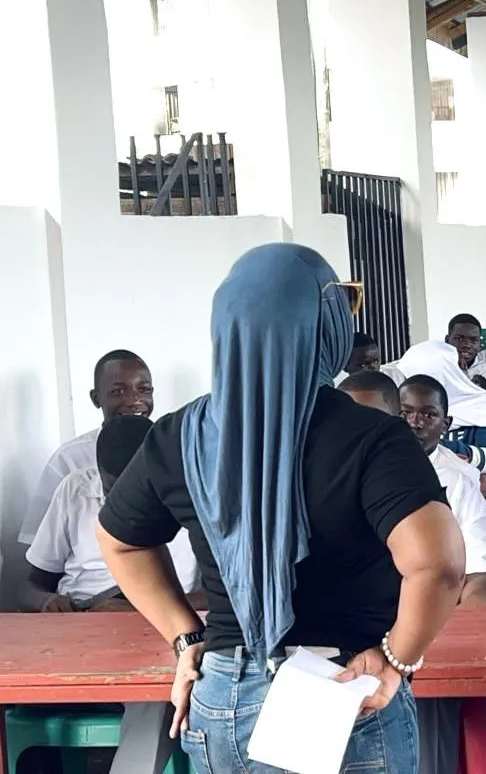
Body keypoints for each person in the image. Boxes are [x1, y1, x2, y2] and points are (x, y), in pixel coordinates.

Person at [96, 243, 466, 774]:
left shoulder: (179, 435)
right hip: (342, 689)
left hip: (223, 692)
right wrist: (396, 658)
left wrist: (186, 635)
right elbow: (439, 564)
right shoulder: (373, 438)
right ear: (324, 324)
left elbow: (119, 539)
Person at [26, 415, 199, 774]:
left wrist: (137, 607)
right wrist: (47, 604)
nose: (123, 503)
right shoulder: (75, 489)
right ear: (98, 470)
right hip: (79, 627)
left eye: (134, 489)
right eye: (112, 488)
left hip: (162, 630)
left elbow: (219, 595)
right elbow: (31, 582)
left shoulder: (195, 494)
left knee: (154, 695)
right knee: (22, 694)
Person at [397, 375, 486, 774]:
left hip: (428, 634)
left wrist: (448, 638)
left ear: (446, 424)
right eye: (405, 413)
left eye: (427, 415)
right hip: (359, 628)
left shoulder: (456, 483)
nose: (415, 423)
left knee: (425, 685)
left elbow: (484, 577)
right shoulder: (352, 473)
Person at [19, 349, 153, 544]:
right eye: (118, 391)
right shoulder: (69, 458)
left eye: (144, 389)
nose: (134, 401)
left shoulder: (174, 449)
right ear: (96, 398)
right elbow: (35, 543)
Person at [396, 339, 486, 472]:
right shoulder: (403, 409)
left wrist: (437, 447)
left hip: (469, 485)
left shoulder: (482, 405)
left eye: (409, 376)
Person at [444, 313, 486, 390]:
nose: (467, 345)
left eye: (473, 340)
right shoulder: (439, 367)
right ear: (447, 340)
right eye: (459, 338)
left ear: (480, 343)